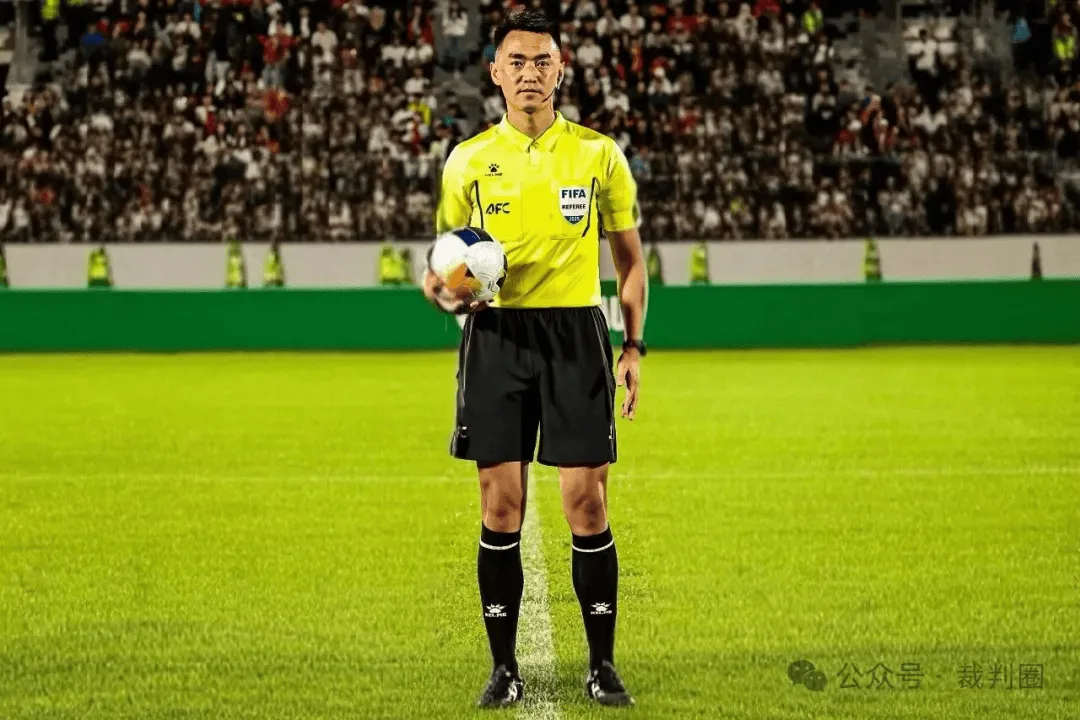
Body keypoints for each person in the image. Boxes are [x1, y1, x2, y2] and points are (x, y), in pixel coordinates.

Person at [421, 10, 647, 709]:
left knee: (587, 502)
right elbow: (442, 265)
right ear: (495, 72)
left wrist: (633, 345)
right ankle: (503, 668)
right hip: (496, 339)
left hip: (577, 335)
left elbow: (631, 263)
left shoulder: (599, 155)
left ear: (561, 69)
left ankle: (602, 665)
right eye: (516, 61)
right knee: (500, 506)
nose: (529, 73)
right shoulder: (467, 160)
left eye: (542, 60)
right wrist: (442, 293)